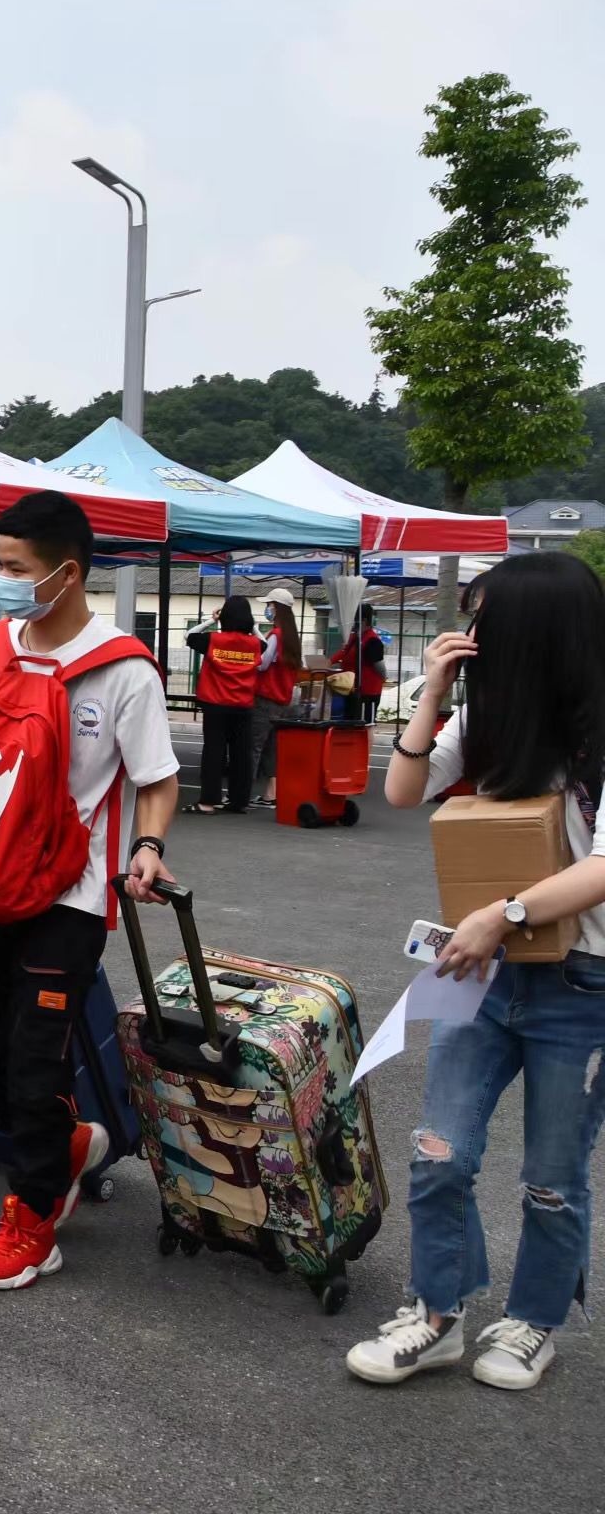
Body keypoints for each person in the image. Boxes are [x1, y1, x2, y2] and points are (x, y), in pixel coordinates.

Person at [0, 490, 178, 1291]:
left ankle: (34, 1218)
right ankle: (73, 1143)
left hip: (72, 892)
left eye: (15, 567)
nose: (0, 580)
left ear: (67, 573)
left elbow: (157, 780)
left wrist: (148, 847)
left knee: (33, 1067)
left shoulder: (124, 668)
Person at [345, 551, 605, 1393]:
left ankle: (532, 1323)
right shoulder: (487, 720)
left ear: (532, 632)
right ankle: (438, 1311)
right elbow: (403, 791)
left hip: (583, 986)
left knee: (552, 1177)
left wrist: (508, 911)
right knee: (439, 1153)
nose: (470, 633)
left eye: (483, 618)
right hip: (484, 975)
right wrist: (429, 696)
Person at [185, 596, 261, 814]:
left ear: (225, 616)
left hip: (215, 705)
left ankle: (208, 801)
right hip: (243, 707)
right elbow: (263, 643)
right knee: (241, 754)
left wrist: (212, 621)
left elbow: (189, 636)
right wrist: (253, 627)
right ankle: (238, 801)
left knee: (214, 753)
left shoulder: (213, 640)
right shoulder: (255, 645)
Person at [249, 587, 303, 808]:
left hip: (265, 698)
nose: (267, 609)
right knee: (272, 749)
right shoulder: (292, 637)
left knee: (254, 747)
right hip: (283, 700)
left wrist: (251, 660)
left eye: (269, 605)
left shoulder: (276, 635)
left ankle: (241, 793)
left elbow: (263, 664)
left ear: (277, 608)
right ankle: (271, 794)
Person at [332, 602, 388, 723]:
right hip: (352, 688)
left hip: (368, 691)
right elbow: (343, 654)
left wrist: (384, 678)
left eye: (355, 621)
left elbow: (379, 666)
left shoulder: (372, 641)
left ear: (363, 620)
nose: (352, 624)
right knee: (349, 720)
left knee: (364, 722)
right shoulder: (355, 638)